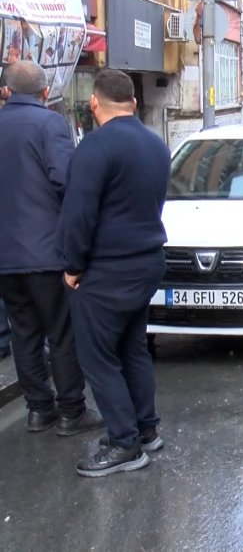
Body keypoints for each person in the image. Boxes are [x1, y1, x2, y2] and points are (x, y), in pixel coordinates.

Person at [60, 69, 170, 477]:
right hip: (146, 262)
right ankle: (146, 430)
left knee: (98, 357)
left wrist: (73, 266)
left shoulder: (94, 147)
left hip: (106, 271)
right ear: (134, 104)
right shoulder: (157, 145)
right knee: (132, 348)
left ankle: (124, 444)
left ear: (94, 103)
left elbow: (78, 214)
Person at [0, 61, 103, 435]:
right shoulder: (49, 124)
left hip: (6, 259)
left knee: (22, 333)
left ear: (5, 91)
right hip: (45, 254)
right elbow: (66, 180)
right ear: (45, 92)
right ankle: (71, 411)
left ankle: (38, 410)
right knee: (61, 333)